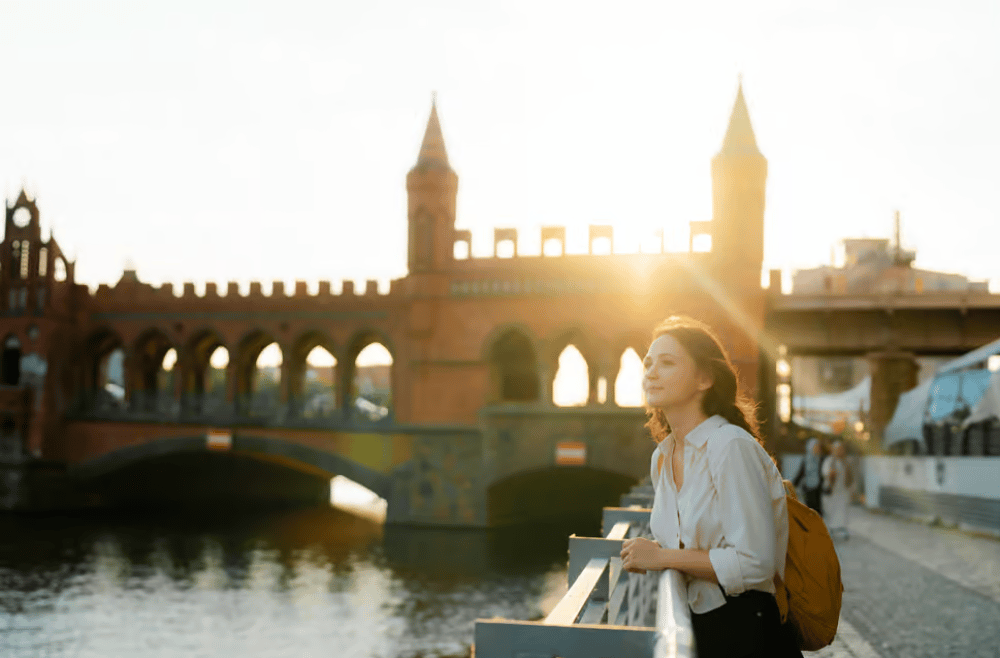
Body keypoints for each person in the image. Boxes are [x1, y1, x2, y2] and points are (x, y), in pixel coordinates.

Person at [619, 316, 802, 658]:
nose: (651, 372)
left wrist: (661, 557)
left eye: (667, 363)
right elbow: (692, 541)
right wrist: (655, 550)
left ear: (704, 378)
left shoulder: (730, 445)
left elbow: (755, 562)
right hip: (701, 627)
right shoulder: (663, 456)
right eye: (648, 364)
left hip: (747, 631)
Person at [822, 441, 853, 539]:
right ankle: (831, 529)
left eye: (841, 449)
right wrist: (831, 473)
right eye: (838, 449)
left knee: (842, 511)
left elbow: (849, 476)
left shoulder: (845, 461)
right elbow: (825, 472)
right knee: (831, 511)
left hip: (843, 491)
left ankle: (842, 529)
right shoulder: (829, 461)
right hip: (832, 491)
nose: (840, 451)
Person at [792, 438, 825, 516]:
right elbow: (801, 473)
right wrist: (793, 485)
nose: (818, 449)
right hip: (808, 488)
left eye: (818, 447)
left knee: (818, 511)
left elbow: (824, 474)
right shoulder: (806, 460)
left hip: (819, 489)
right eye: (816, 447)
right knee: (809, 510)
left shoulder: (822, 459)